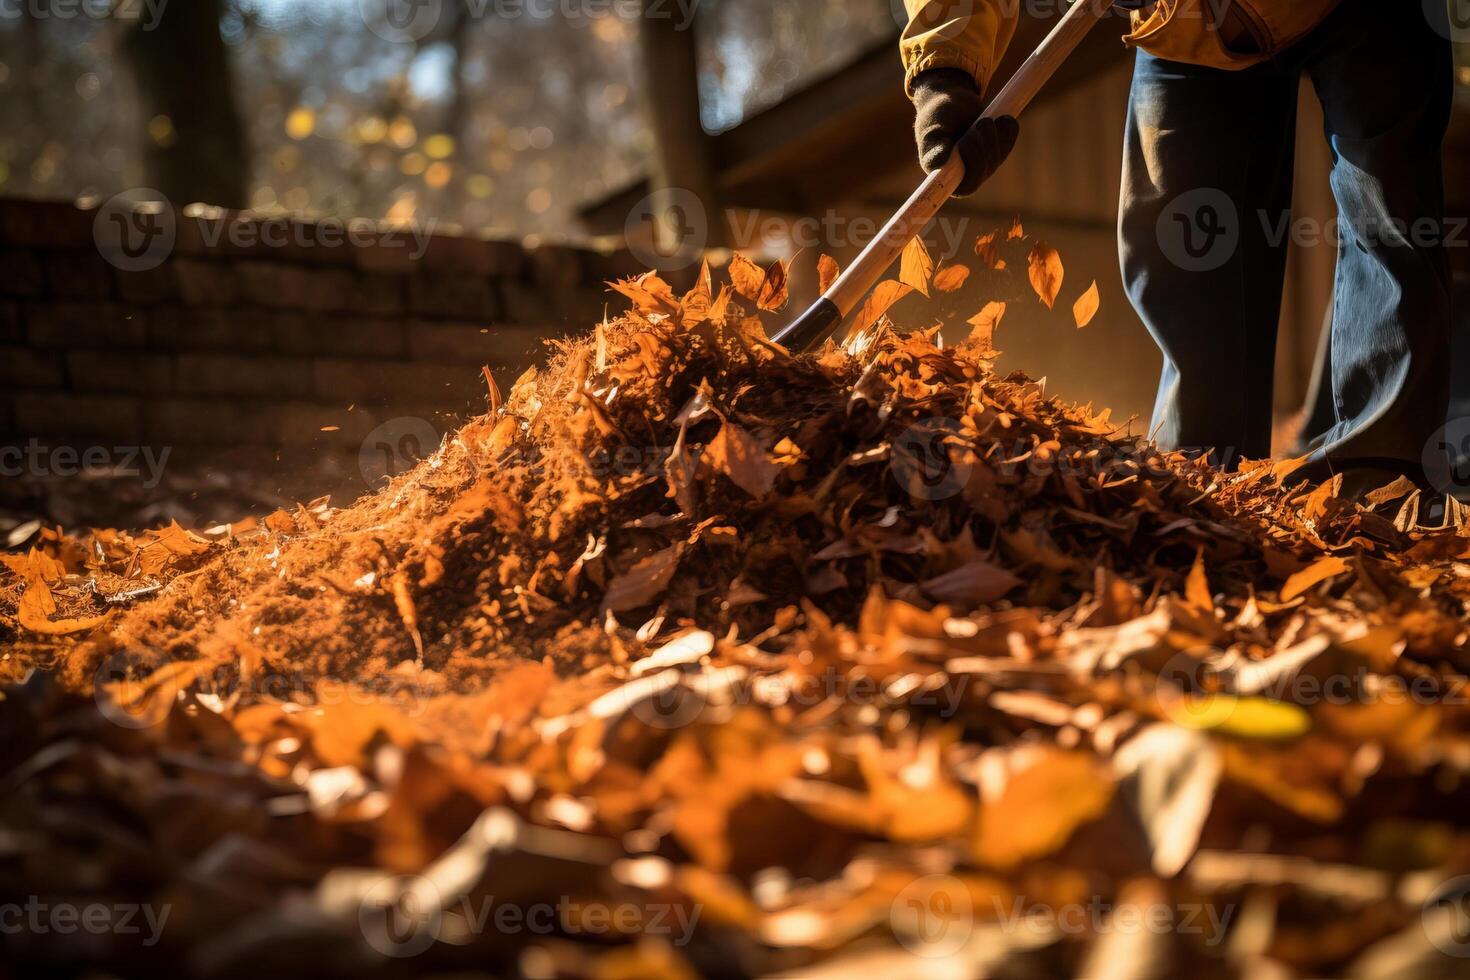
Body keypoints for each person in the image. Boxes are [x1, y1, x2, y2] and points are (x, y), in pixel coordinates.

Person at [903, 0, 1455, 499]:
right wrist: (945, 70)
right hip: (1191, 19)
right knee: (1178, 235)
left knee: (1387, 206)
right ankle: (1202, 476)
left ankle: (1378, 481)